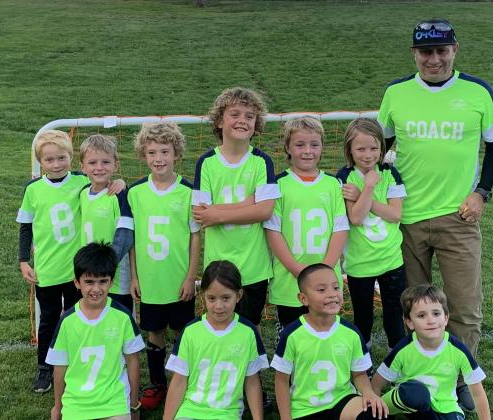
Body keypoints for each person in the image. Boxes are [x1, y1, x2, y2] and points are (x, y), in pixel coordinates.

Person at [377, 18, 493, 409]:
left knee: (463, 306)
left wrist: (481, 193)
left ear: (455, 50)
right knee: (410, 304)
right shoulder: (396, 93)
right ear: (415, 53)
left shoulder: (478, 91)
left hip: (458, 218)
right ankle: (415, 372)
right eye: (426, 52)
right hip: (407, 219)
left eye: (441, 50)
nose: (434, 59)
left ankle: (460, 379)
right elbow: (377, 149)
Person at [16, 130, 124, 393]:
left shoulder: (80, 182)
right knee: (49, 318)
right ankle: (44, 367)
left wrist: (119, 182)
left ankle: (77, 362)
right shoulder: (33, 189)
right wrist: (23, 260)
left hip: (78, 271)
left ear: (71, 159)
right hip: (48, 269)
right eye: (49, 160)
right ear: (41, 162)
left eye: (61, 158)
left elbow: (103, 183)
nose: (56, 164)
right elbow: (26, 227)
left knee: (78, 318)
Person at [192, 87, 280, 329]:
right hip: (217, 267)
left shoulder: (262, 161)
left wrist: (217, 213)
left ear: (256, 124)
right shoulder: (207, 163)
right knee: (219, 328)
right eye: (235, 114)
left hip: (254, 268)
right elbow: (201, 214)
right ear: (220, 120)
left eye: (249, 116)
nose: (242, 120)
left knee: (249, 331)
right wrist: (248, 204)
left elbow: (264, 212)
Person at [127, 122, 201, 410]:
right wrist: (134, 276)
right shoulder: (135, 193)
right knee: (154, 332)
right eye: (152, 152)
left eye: (165, 152)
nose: (158, 158)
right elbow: (132, 240)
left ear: (176, 154)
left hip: (179, 278)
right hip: (150, 280)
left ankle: (185, 383)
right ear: (144, 156)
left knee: (184, 332)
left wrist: (191, 276)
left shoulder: (188, 191)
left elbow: (196, 237)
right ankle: (158, 383)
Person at [272, 263, 388, 420]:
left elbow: (359, 374)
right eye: (321, 290)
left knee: (375, 415)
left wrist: (368, 392)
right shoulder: (292, 334)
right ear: (303, 298)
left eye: (335, 287)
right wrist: (286, 417)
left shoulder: (351, 332)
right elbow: (281, 380)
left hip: (342, 401)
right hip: (305, 408)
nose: (332, 294)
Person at [265, 117, 349, 331]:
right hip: (289, 281)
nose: (307, 151)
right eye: (300, 145)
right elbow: (273, 232)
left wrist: (325, 270)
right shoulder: (278, 185)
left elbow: (340, 230)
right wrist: (298, 271)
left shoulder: (333, 185)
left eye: (314, 144)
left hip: (327, 280)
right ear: (287, 147)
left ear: (322, 147)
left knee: (326, 332)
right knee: (290, 336)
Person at [46, 242, 145, 420]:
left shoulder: (122, 317)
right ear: (77, 283)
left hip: (114, 402)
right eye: (89, 282)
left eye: (103, 281)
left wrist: (133, 404)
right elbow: (60, 367)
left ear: (111, 282)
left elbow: (133, 362)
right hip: (76, 404)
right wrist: (58, 407)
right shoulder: (67, 321)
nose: (96, 289)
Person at [163, 260, 268, 420]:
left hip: (227, 414)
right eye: (211, 298)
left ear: (238, 296)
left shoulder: (248, 333)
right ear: (202, 295)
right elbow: (179, 381)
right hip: (190, 411)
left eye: (226, 298)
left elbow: (252, 382)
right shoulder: (191, 331)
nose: (218, 306)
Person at [336, 118, 406, 352]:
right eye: (361, 149)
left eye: (374, 148)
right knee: (362, 318)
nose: (368, 154)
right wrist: (367, 187)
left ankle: (397, 362)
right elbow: (355, 218)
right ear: (349, 150)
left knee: (394, 317)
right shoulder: (345, 176)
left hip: (391, 260)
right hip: (360, 263)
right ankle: (362, 365)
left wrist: (368, 193)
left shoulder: (390, 174)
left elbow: (395, 214)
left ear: (382, 149)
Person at [371, 285, 490, 420]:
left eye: (436, 313)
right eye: (421, 315)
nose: (431, 320)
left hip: (445, 407)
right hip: (409, 403)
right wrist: (374, 411)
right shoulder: (403, 349)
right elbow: (376, 385)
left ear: (446, 318)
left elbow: (478, 394)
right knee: (417, 393)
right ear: (409, 322)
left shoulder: (458, 350)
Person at [79, 134, 135, 311]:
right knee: (95, 316)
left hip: (115, 277)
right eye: (92, 163)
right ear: (83, 167)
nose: (99, 168)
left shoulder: (119, 195)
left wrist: (106, 265)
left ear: (116, 165)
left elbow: (125, 234)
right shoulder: (82, 193)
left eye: (106, 162)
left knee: (119, 320)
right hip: (89, 272)